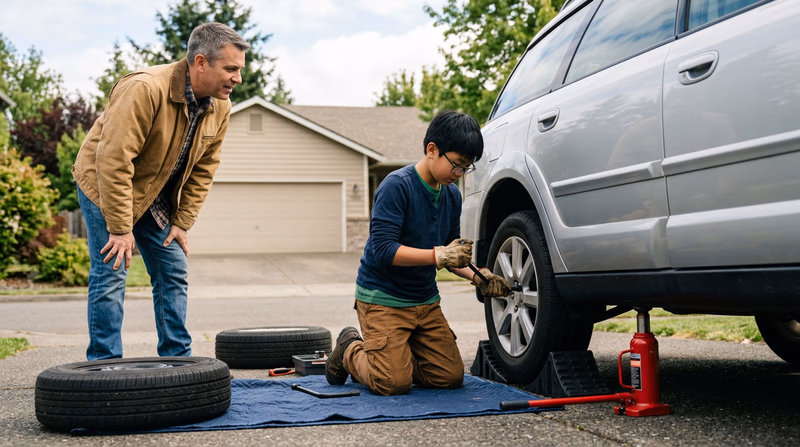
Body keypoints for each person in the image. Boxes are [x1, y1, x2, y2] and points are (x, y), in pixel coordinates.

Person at [72, 22, 248, 361]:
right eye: (230, 68)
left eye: (239, 69)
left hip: (153, 193)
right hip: (104, 183)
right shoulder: (144, 89)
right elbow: (113, 160)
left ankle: (177, 359)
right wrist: (121, 229)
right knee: (112, 271)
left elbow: (204, 168)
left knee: (173, 267)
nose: (237, 78)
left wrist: (182, 221)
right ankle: (104, 366)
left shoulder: (220, 106)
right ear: (200, 62)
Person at [325, 110, 512, 395]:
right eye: (457, 165)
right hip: (383, 299)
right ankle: (350, 348)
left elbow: (451, 253)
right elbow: (385, 250)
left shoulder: (451, 195)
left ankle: (394, 353)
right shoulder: (396, 186)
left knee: (449, 377)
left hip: (424, 302)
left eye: (466, 168)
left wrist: (478, 276)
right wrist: (439, 256)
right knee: (392, 383)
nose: (460, 174)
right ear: (432, 150)